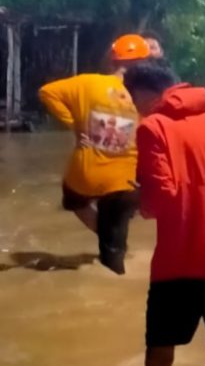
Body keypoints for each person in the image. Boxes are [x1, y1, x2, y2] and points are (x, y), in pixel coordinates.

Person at [124, 64, 205, 366]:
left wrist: (137, 199)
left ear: (145, 93)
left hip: (179, 261)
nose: (137, 111)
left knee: (160, 347)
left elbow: (161, 199)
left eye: (134, 102)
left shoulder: (153, 128)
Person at [38, 34, 149, 275]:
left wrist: (75, 125)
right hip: (127, 182)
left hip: (86, 176)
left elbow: (47, 92)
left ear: (112, 60)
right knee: (115, 250)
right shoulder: (145, 97)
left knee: (74, 199)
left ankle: (108, 237)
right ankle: (114, 251)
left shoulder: (87, 83)